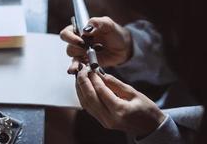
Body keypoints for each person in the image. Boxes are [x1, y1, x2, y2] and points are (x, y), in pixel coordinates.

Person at [60, 16, 205, 143]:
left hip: (158, 127)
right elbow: (190, 51)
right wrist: (129, 47)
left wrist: (156, 131)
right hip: (162, 101)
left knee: (64, 120)